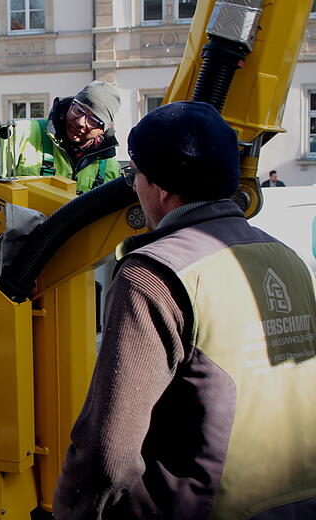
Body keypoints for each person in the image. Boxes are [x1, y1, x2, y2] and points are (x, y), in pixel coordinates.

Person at [53, 101, 316, 519]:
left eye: (135, 175)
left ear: (160, 188)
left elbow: (110, 452)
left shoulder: (154, 275)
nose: (134, 187)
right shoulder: (287, 258)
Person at [0, 81, 121, 194]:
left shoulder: (108, 166)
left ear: (104, 129)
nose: (80, 122)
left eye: (92, 120)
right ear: (70, 104)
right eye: (78, 110)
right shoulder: (19, 135)